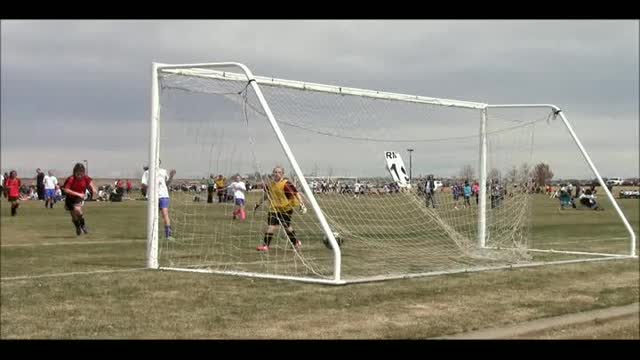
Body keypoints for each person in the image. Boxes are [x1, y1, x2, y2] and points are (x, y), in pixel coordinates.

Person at [253, 166, 307, 251]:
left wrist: (301, 203)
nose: (276, 174)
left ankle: (296, 242)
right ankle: (265, 246)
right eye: (275, 172)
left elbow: (296, 193)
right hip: (274, 208)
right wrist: (258, 203)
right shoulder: (270, 184)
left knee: (286, 227)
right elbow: (266, 195)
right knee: (271, 226)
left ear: (282, 174)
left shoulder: (286, 183)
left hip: (286, 208)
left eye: (279, 172)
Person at [62, 163, 98, 235]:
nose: (79, 174)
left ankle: (83, 225)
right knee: (74, 216)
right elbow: (66, 190)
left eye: (81, 172)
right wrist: (78, 194)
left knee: (77, 210)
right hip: (70, 197)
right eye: (77, 172)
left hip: (78, 198)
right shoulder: (71, 179)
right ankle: (78, 227)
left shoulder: (86, 178)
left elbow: (91, 182)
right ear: (74, 172)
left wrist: (94, 189)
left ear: (83, 172)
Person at [154, 165, 177, 241]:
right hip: (153, 196)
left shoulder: (163, 171)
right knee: (154, 216)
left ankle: (168, 235)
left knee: (165, 214)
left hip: (163, 196)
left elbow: (167, 183)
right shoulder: (148, 172)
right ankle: (153, 234)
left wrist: (171, 176)